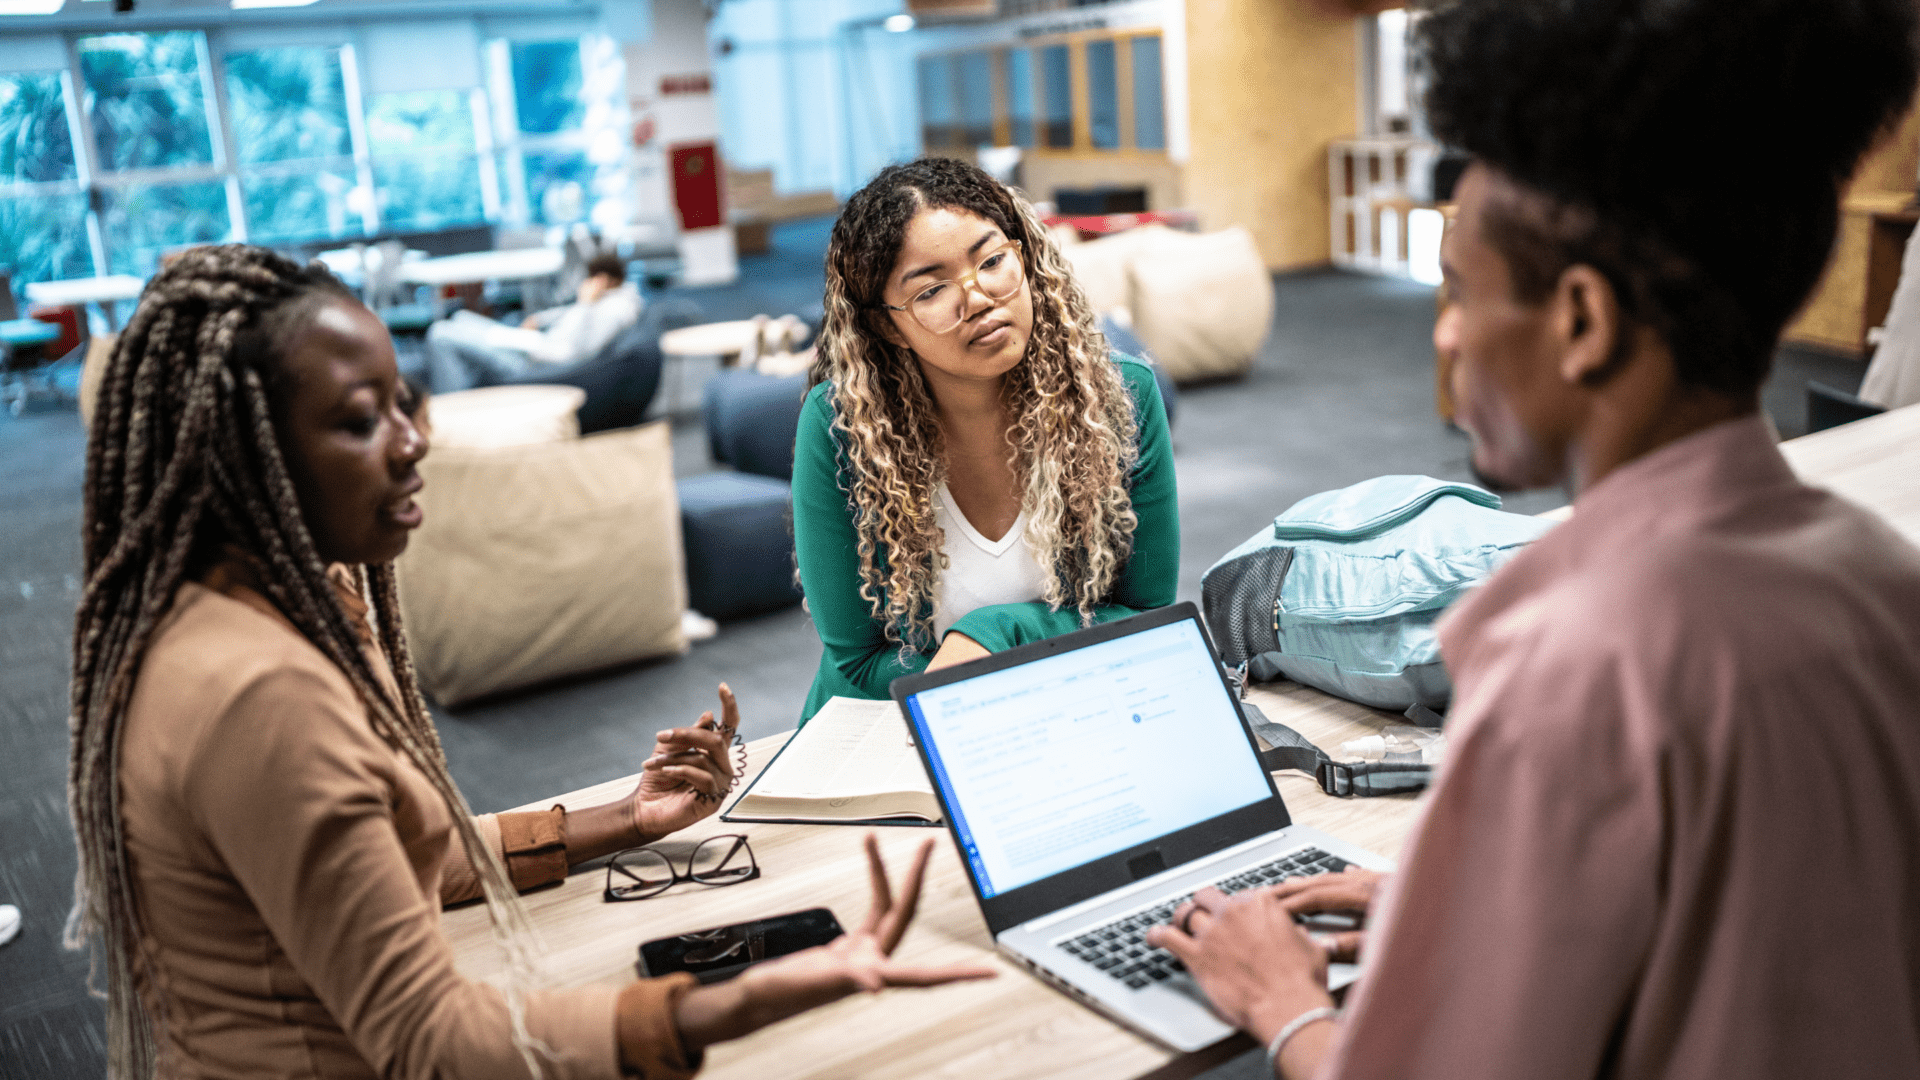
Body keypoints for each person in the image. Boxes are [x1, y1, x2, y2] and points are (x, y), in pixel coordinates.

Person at [1146, 2, 1920, 1078]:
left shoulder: (1570, 662)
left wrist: (1284, 1008)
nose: (1445, 334)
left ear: (1584, 322)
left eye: (1462, 290)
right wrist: (1479, 901)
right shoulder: (1882, 579)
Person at [66, 245, 992, 1080]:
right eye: (359, 422)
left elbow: (409, 860)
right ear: (239, 459)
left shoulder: (276, 607)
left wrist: (627, 818)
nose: (413, 440)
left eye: (404, 403)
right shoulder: (259, 692)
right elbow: (430, 1038)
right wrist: (745, 1000)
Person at [792, 157, 1178, 722]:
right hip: (887, 737)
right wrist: (997, 680)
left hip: (1073, 718)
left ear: (1024, 254)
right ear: (886, 325)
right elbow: (858, 661)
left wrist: (993, 634)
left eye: (992, 261)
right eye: (931, 291)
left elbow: (1145, 614)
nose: (977, 298)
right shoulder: (841, 428)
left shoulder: (1121, 398)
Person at [426, 251, 643, 392]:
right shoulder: (608, 300)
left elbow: (576, 353)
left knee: (440, 334)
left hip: (534, 363)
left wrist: (585, 303)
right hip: (535, 345)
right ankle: (468, 386)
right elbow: (568, 314)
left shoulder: (612, 312)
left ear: (603, 280)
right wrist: (538, 320)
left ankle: (452, 406)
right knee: (460, 318)